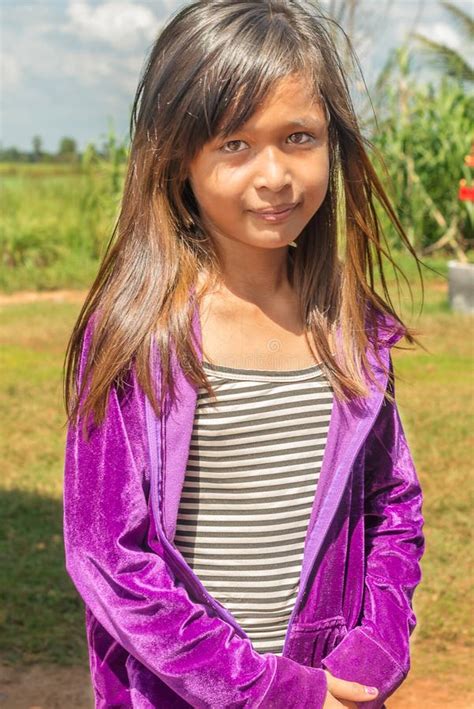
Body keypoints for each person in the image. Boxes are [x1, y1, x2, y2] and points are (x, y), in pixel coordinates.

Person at [62, 1, 426, 707]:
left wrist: (373, 647)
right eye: (235, 143)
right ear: (178, 159)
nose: (274, 175)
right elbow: (109, 555)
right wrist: (267, 689)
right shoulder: (136, 334)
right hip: (183, 692)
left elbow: (393, 508)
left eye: (298, 137)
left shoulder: (353, 331)